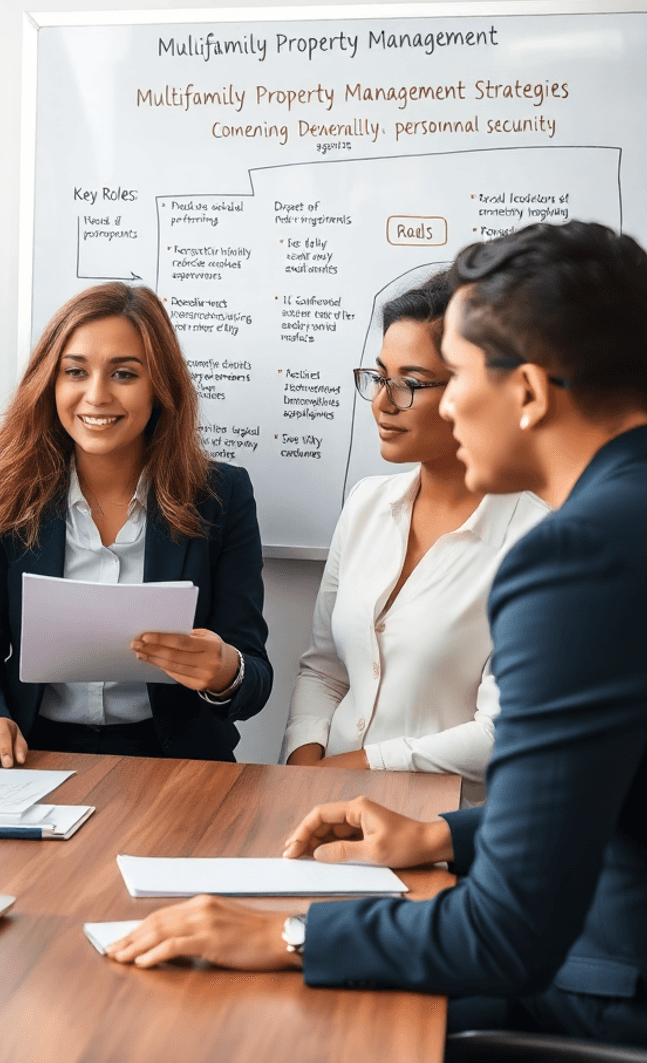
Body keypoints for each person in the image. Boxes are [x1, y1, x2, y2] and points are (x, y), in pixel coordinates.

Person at [105, 221, 647, 1046]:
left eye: (453, 376)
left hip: (607, 981)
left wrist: (287, 937)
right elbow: (604, 798)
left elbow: (509, 936)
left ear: (530, 392)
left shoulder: (572, 557)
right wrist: (436, 833)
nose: (446, 402)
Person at [0, 282, 271, 766]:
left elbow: (255, 676)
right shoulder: (5, 492)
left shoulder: (222, 497)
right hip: (34, 754)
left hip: (175, 761)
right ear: (50, 382)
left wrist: (225, 670)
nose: (96, 396)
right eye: (75, 371)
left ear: (160, 386)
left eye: (124, 374)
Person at [282, 271, 547, 803]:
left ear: (472, 388)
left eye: (411, 383)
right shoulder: (366, 504)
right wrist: (303, 764)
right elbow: (325, 669)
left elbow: (504, 732)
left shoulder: (536, 537)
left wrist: (355, 769)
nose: (382, 402)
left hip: (445, 825)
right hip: (320, 799)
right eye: (378, 377)